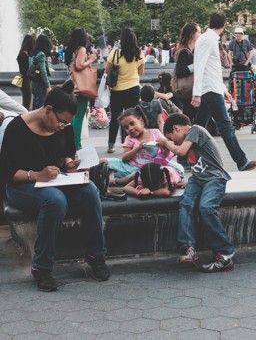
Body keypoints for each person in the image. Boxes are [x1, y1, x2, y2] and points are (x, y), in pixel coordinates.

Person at [0, 81, 110, 292]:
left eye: (66, 124)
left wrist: (71, 163)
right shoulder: (17, 128)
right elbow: (8, 174)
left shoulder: (63, 128)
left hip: (55, 180)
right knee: (55, 200)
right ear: (48, 110)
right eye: (60, 122)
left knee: (90, 191)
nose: (62, 127)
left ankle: (96, 254)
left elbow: (66, 154)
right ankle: (42, 267)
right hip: (21, 185)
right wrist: (37, 175)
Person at [158, 113, 236, 273]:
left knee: (206, 207)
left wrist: (166, 142)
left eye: (172, 137)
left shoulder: (196, 129)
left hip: (215, 178)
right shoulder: (189, 136)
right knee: (185, 203)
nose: (173, 142)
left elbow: (180, 151)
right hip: (197, 179)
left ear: (176, 128)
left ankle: (225, 254)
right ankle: (187, 249)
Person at [191, 12, 256, 172]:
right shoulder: (208, 40)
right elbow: (200, 66)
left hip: (212, 87)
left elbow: (210, 68)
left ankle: (184, 155)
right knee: (225, 125)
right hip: (210, 89)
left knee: (199, 124)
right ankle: (241, 161)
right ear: (223, 25)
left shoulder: (207, 39)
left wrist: (223, 90)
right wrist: (197, 92)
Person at [104, 107, 183, 186]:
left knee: (178, 169)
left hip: (153, 168)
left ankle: (124, 180)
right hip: (133, 167)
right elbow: (124, 158)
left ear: (141, 121)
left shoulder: (155, 132)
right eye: (126, 127)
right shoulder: (129, 139)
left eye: (132, 124)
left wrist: (165, 146)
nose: (130, 128)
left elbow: (166, 155)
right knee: (104, 161)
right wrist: (137, 148)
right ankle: (136, 178)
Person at [105, 28, 145, 154]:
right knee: (131, 118)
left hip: (117, 90)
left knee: (116, 118)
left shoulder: (115, 53)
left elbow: (107, 69)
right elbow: (141, 72)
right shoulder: (139, 54)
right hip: (133, 88)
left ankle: (111, 145)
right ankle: (128, 144)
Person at [65, 28, 98, 150]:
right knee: (78, 117)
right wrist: (90, 60)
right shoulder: (82, 49)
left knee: (72, 116)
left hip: (70, 84)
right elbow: (79, 66)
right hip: (79, 87)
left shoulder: (73, 49)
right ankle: (76, 145)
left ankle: (72, 142)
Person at [174, 22, 200, 122]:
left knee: (190, 116)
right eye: (198, 32)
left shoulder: (190, 50)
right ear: (192, 34)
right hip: (187, 90)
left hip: (189, 91)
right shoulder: (184, 52)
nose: (200, 35)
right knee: (192, 117)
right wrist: (196, 66)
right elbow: (180, 71)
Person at [30, 34, 53, 110]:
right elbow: (43, 72)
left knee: (35, 102)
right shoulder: (41, 55)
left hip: (34, 81)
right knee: (40, 104)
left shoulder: (34, 53)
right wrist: (48, 86)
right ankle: (38, 121)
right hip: (40, 82)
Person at [16, 34, 36, 110]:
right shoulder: (23, 55)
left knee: (27, 100)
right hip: (26, 80)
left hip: (25, 79)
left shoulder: (22, 53)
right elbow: (24, 70)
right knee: (27, 100)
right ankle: (25, 115)